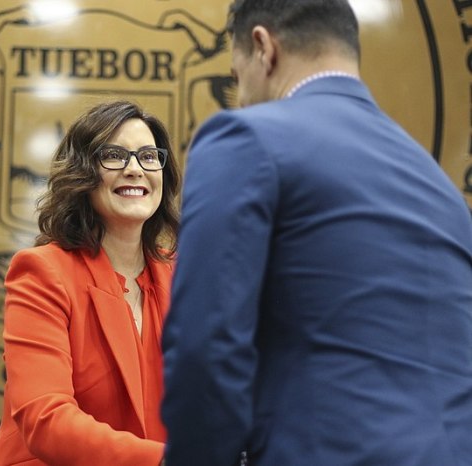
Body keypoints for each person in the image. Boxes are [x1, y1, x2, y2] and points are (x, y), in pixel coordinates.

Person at [161, 1, 472, 465]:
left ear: (264, 48)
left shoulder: (248, 139)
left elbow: (205, 349)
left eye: (235, 78)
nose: (241, 98)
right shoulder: (438, 185)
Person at [0, 100, 181, 466]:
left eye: (149, 156)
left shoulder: (183, 277)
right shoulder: (42, 272)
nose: (135, 169)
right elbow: (46, 419)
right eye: (114, 155)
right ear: (82, 173)